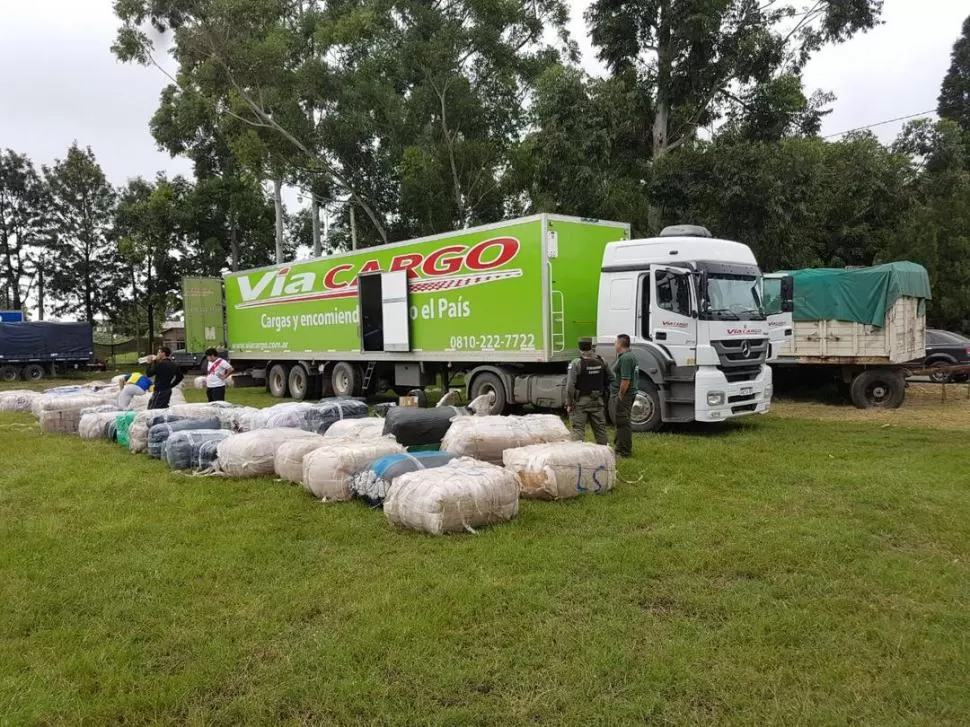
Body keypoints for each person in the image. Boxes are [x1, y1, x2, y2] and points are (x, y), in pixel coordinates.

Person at [565, 337, 610, 445]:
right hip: (598, 400)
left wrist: (569, 403)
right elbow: (610, 379)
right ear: (591, 347)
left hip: (581, 401)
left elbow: (570, 386)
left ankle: (577, 456)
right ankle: (604, 454)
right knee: (600, 430)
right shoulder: (602, 360)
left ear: (579, 348)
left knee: (578, 430)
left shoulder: (576, 363)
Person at [609, 333, 639, 458]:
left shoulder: (626, 358)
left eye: (616, 342)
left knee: (623, 423)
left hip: (624, 395)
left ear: (620, 344)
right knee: (622, 421)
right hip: (627, 394)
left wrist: (620, 395)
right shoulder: (629, 356)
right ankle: (619, 447)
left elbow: (625, 380)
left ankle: (624, 451)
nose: (614, 344)